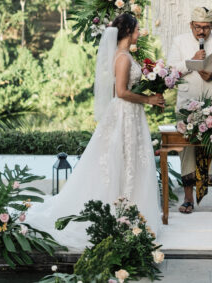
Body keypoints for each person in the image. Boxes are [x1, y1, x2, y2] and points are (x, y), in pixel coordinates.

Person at [25, 13, 165, 247]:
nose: (139, 34)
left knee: (130, 161)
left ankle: (131, 210)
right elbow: (120, 92)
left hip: (131, 114)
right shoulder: (122, 58)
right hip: (124, 113)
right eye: (137, 30)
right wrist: (148, 100)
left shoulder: (126, 55)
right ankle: (119, 211)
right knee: (120, 160)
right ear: (128, 31)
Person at [167, 5, 212, 214]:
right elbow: (170, 72)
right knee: (187, 150)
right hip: (188, 104)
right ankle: (188, 199)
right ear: (191, 25)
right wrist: (193, 62)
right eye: (197, 27)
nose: (201, 31)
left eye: (205, 27)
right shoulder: (179, 41)